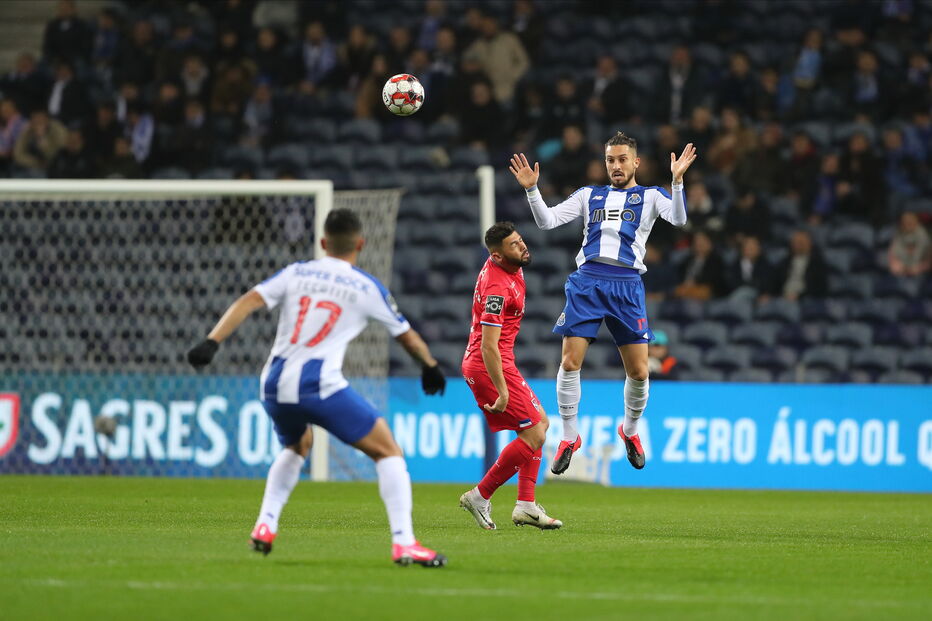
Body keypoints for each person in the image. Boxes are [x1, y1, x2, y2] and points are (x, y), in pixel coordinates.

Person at [186, 209, 448, 568]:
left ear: (323, 242)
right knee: (388, 451)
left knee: (297, 444)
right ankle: (404, 543)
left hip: (274, 385)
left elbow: (249, 300)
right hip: (318, 386)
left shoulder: (296, 272)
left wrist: (211, 342)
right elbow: (407, 337)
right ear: (360, 244)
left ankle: (265, 524)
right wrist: (430, 367)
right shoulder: (367, 286)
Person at [509, 133, 696, 474]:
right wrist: (531, 190)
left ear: (636, 162)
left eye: (623, 159)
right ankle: (569, 436)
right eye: (611, 160)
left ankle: (630, 430)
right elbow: (546, 221)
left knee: (639, 371)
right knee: (569, 361)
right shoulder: (588, 195)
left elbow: (680, 219)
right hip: (587, 283)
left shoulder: (651, 196)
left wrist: (677, 182)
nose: (616, 166)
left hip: (627, 286)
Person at [459, 222, 562, 531]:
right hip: (488, 364)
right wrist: (502, 391)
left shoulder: (509, 267)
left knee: (540, 423)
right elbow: (489, 345)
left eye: (521, 241)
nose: (522, 247)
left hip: (502, 361)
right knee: (534, 434)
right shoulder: (497, 287)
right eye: (514, 245)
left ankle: (526, 505)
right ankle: (480, 495)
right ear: (497, 255)